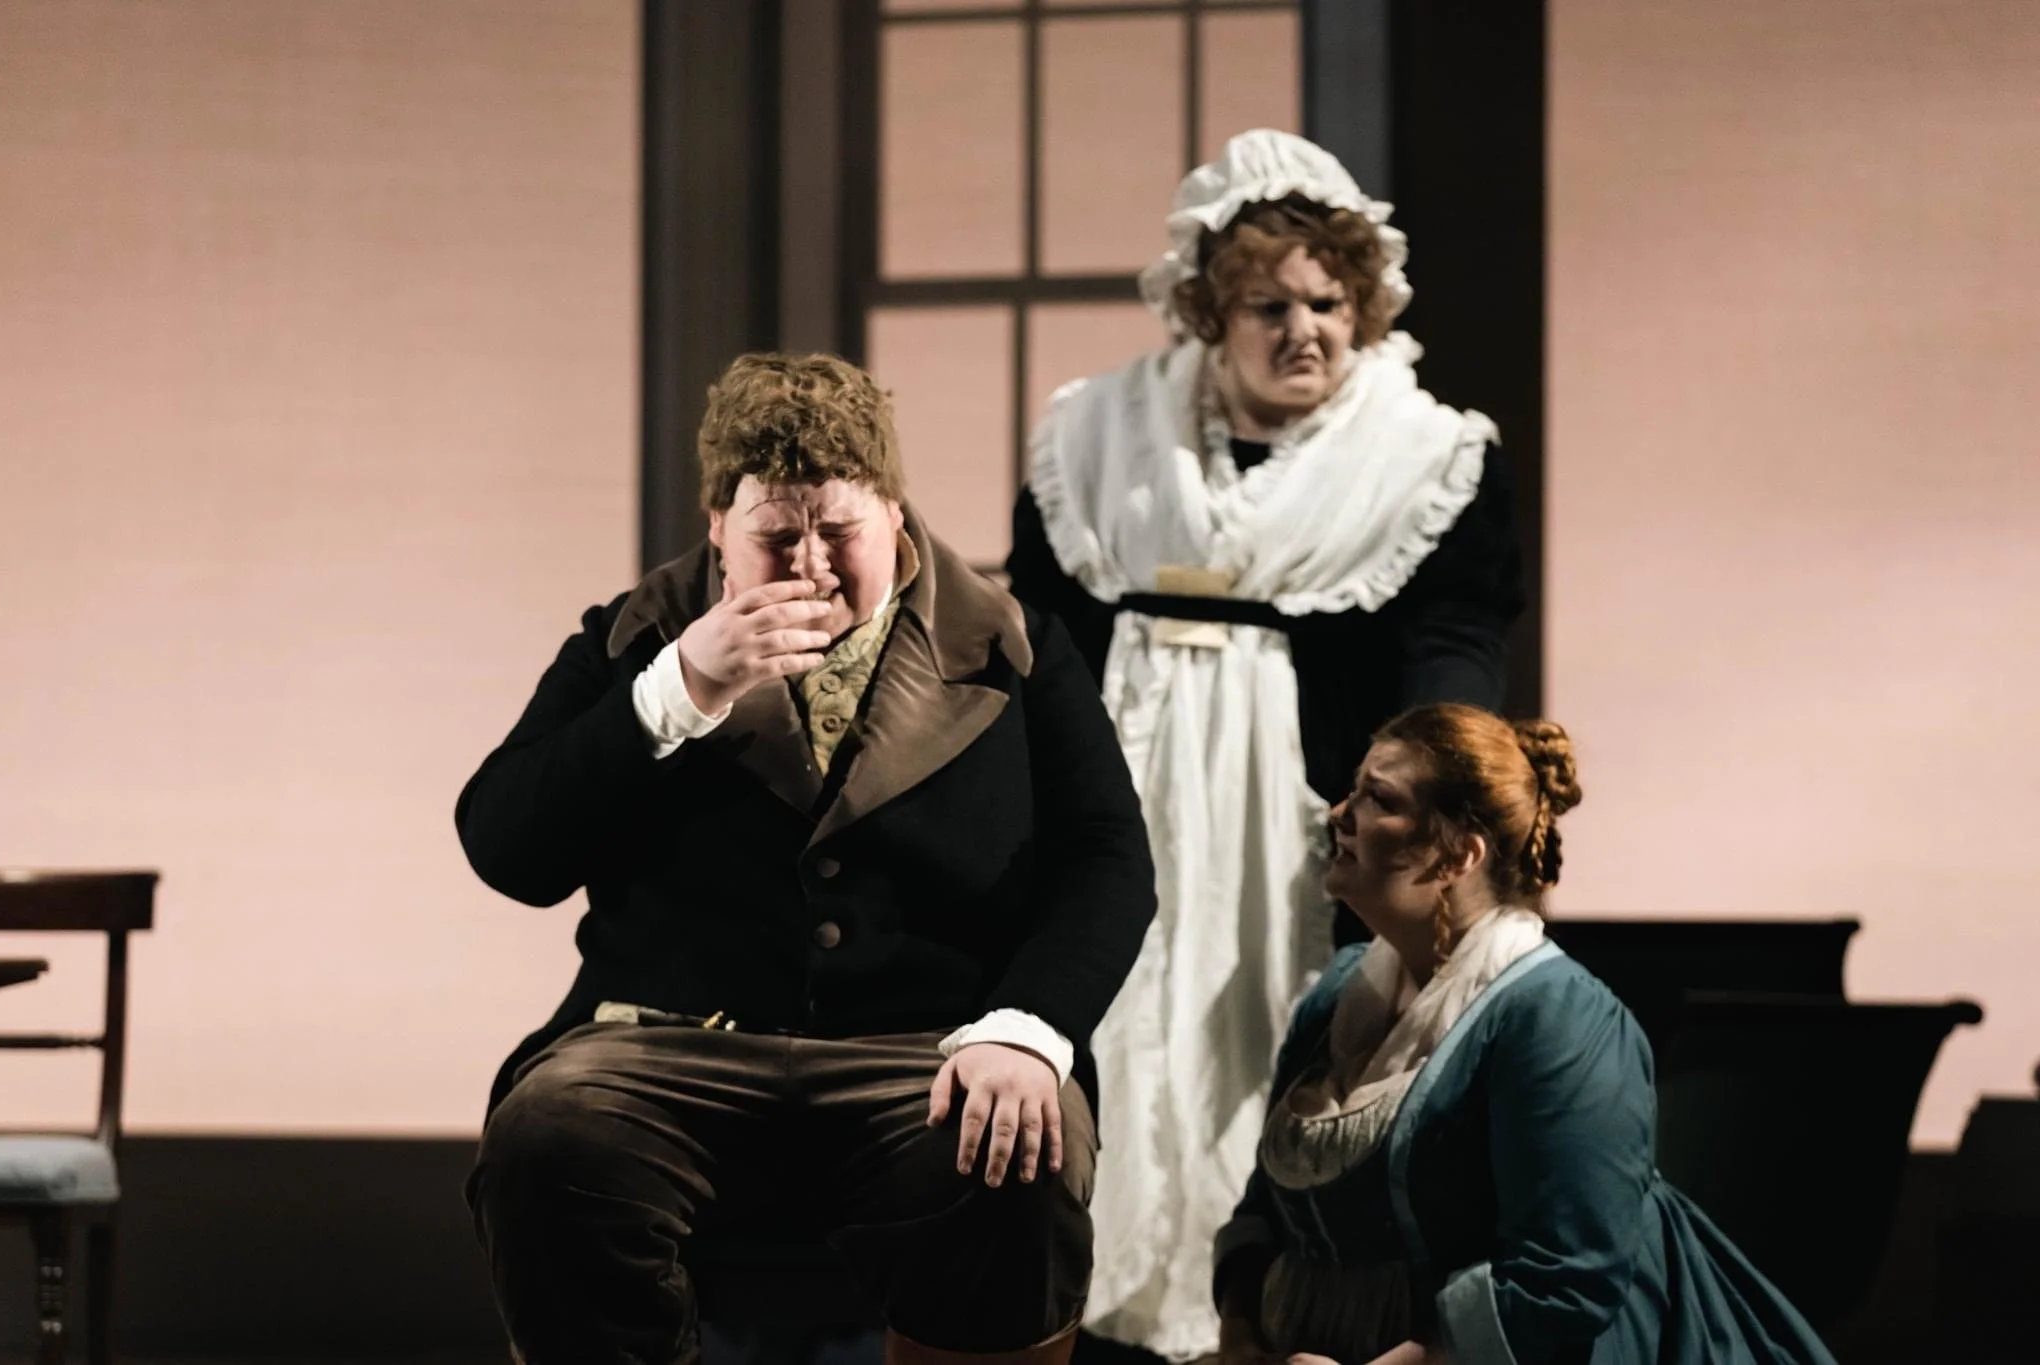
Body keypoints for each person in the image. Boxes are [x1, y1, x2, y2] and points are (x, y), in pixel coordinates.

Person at [456, 353, 1157, 1365]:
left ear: (895, 514)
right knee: (549, 1137)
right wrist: (673, 694)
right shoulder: (634, 640)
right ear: (715, 532)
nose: (815, 566)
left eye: (842, 532)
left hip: (927, 1049)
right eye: (777, 538)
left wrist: (1028, 1025)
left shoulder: (1013, 645)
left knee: (1018, 1153)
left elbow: (1105, 861)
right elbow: (506, 849)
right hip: (659, 1046)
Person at [1007, 130, 1524, 1359]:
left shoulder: (1424, 457)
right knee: (1112, 1040)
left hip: (1314, 816)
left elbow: (1453, 647)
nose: (1306, 331)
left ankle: (1260, 1320)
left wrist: (1424, 799)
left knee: (1289, 1048)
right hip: (1120, 792)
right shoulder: (1099, 438)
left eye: (1328, 302)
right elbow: (1039, 642)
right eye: (1268, 306)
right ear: (1205, 310)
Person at [1212, 704, 1839, 1365]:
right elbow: (1269, 1207)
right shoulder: (1340, 994)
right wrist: (1244, 1341)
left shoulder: (1557, 1015)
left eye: (1378, 798)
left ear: (1459, 852)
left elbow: (1562, 1280)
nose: (1339, 813)